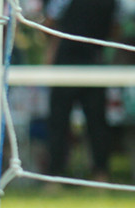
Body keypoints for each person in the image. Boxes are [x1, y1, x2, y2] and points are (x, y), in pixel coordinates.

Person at [43, 0, 118, 184]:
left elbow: (49, 24)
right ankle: (100, 176)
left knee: (60, 122)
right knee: (97, 123)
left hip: (68, 62)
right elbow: (115, 29)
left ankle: (55, 179)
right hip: (94, 60)